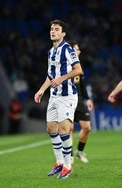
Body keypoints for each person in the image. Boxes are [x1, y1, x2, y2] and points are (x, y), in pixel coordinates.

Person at [34, 19, 82, 178]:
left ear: (63, 33)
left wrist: (62, 78)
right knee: (50, 129)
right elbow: (50, 75)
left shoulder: (68, 49)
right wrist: (41, 90)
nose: (52, 31)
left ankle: (68, 166)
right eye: (51, 29)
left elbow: (78, 70)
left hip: (67, 96)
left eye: (56, 29)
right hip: (54, 97)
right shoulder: (51, 52)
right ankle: (60, 162)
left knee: (63, 131)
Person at [68, 40, 93, 163]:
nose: (79, 51)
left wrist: (87, 99)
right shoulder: (65, 65)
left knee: (87, 127)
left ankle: (79, 151)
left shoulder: (78, 66)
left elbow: (82, 84)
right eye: (77, 49)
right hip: (67, 101)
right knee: (69, 128)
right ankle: (69, 155)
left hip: (78, 100)